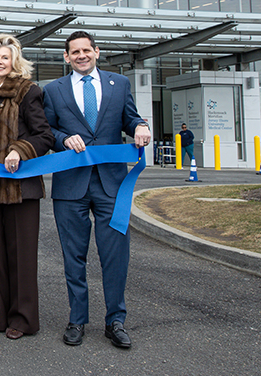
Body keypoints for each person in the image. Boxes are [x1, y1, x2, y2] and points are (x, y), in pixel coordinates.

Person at [42, 31, 152, 349]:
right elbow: (46, 130)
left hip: (111, 185)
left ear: (97, 52)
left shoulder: (120, 84)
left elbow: (130, 119)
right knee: (73, 258)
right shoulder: (53, 90)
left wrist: (140, 126)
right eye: (74, 52)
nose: (81, 55)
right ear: (66, 57)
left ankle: (115, 320)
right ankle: (77, 319)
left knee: (115, 256)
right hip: (70, 185)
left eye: (86, 50)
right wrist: (63, 138)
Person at [0, 34, 55, 340]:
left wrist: (18, 149)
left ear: (14, 60)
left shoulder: (27, 91)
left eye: (5, 57)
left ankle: (24, 318)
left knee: (21, 254)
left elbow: (44, 135)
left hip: (20, 188)